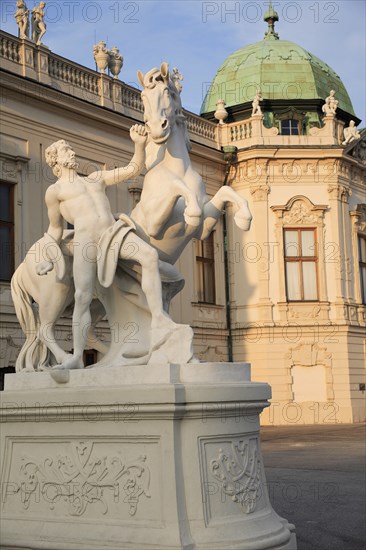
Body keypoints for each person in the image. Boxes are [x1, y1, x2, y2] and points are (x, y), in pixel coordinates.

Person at [37, 125, 178, 369]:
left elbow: (133, 169)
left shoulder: (95, 178)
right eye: (65, 150)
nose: (71, 152)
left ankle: (158, 319)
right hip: (85, 242)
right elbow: (55, 229)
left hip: (112, 234)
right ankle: (76, 357)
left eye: (70, 149)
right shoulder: (55, 191)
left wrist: (138, 144)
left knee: (149, 256)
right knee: (82, 297)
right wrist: (48, 256)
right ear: (55, 161)